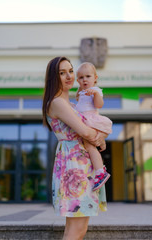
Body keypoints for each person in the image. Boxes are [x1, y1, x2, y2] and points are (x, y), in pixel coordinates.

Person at [42, 56, 108, 240]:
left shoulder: (72, 104)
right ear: (53, 78)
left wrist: (100, 137)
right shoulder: (57, 103)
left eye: (70, 71)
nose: (69, 76)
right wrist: (101, 137)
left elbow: (90, 131)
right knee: (76, 229)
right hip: (74, 167)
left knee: (78, 228)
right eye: (62, 73)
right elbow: (86, 132)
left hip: (81, 163)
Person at [76, 62, 112, 191]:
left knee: (90, 148)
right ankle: (101, 146)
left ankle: (100, 172)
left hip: (91, 121)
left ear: (95, 78)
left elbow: (99, 105)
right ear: (77, 80)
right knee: (88, 147)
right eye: (81, 77)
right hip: (84, 121)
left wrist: (96, 94)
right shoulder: (82, 91)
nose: (84, 79)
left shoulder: (95, 90)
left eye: (88, 76)